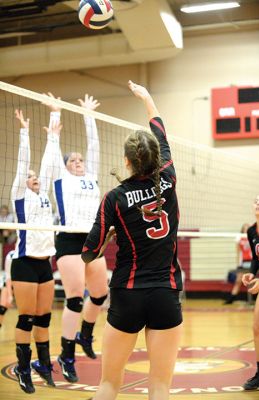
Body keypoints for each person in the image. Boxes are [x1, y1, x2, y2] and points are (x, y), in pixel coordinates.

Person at [81, 80, 183, 400]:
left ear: (127, 161)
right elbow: (160, 131)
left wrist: (109, 238)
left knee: (109, 384)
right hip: (165, 293)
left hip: (127, 294)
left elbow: (88, 253)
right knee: (160, 385)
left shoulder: (114, 198)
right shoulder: (168, 175)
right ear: (156, 159)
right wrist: (147, 98)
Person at [44, 93, 108, 382]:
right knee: (74, 300)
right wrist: (56, 115)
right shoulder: (62, 178)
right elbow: (55, 154)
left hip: (93, 241)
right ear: (66, 165)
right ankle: (66, 356)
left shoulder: (91, 176)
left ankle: (86, 335)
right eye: (75, 159)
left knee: (100, 294)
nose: (80, 161)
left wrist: (88, 115)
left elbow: (93, 147)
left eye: (81, 159)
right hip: (70, 241)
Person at [10, 109, 56, 393]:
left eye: (35, 175)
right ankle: (24, 369)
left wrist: (53, 133)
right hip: (25, 263)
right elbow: (22, 165)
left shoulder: (44, 196)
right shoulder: (20, 193)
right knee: (26, 318)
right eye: (30, 176)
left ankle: (43, 365)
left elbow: (49, 166)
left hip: (45, 265)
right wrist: (24, 133)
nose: (34, 176)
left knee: (44, 318)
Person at [241, 194, 259, 390]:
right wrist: (251, 273)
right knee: (258, 328)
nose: (258, 203)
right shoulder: (251, 230)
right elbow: (257, 257)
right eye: (256, 200)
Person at [224, 223, 252, 304]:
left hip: (253, 262)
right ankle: (232, 298)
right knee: (239, 280)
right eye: (245, 228)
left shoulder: (253, 237)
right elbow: (238, 252)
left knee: (251, 280)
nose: (246, 229)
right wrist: (238, 264)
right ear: (242, 229)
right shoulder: (239, 238)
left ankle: (252, 300)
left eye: (248, 228)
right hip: (244, 262)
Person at [0, 250, 14, 328]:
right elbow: (8, 276)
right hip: (9, 282)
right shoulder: (11, 255)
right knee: (2, 308)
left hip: (21, 283)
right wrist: (10, 295)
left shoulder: (28, 255)